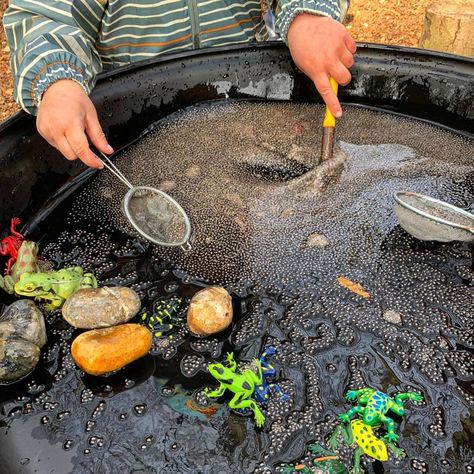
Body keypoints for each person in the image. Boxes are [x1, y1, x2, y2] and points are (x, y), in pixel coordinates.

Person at [3, 0, 355, 169]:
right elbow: (44, 17)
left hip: (249, 101)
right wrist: (56, 79)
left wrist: (309, 14)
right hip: (140, 127)